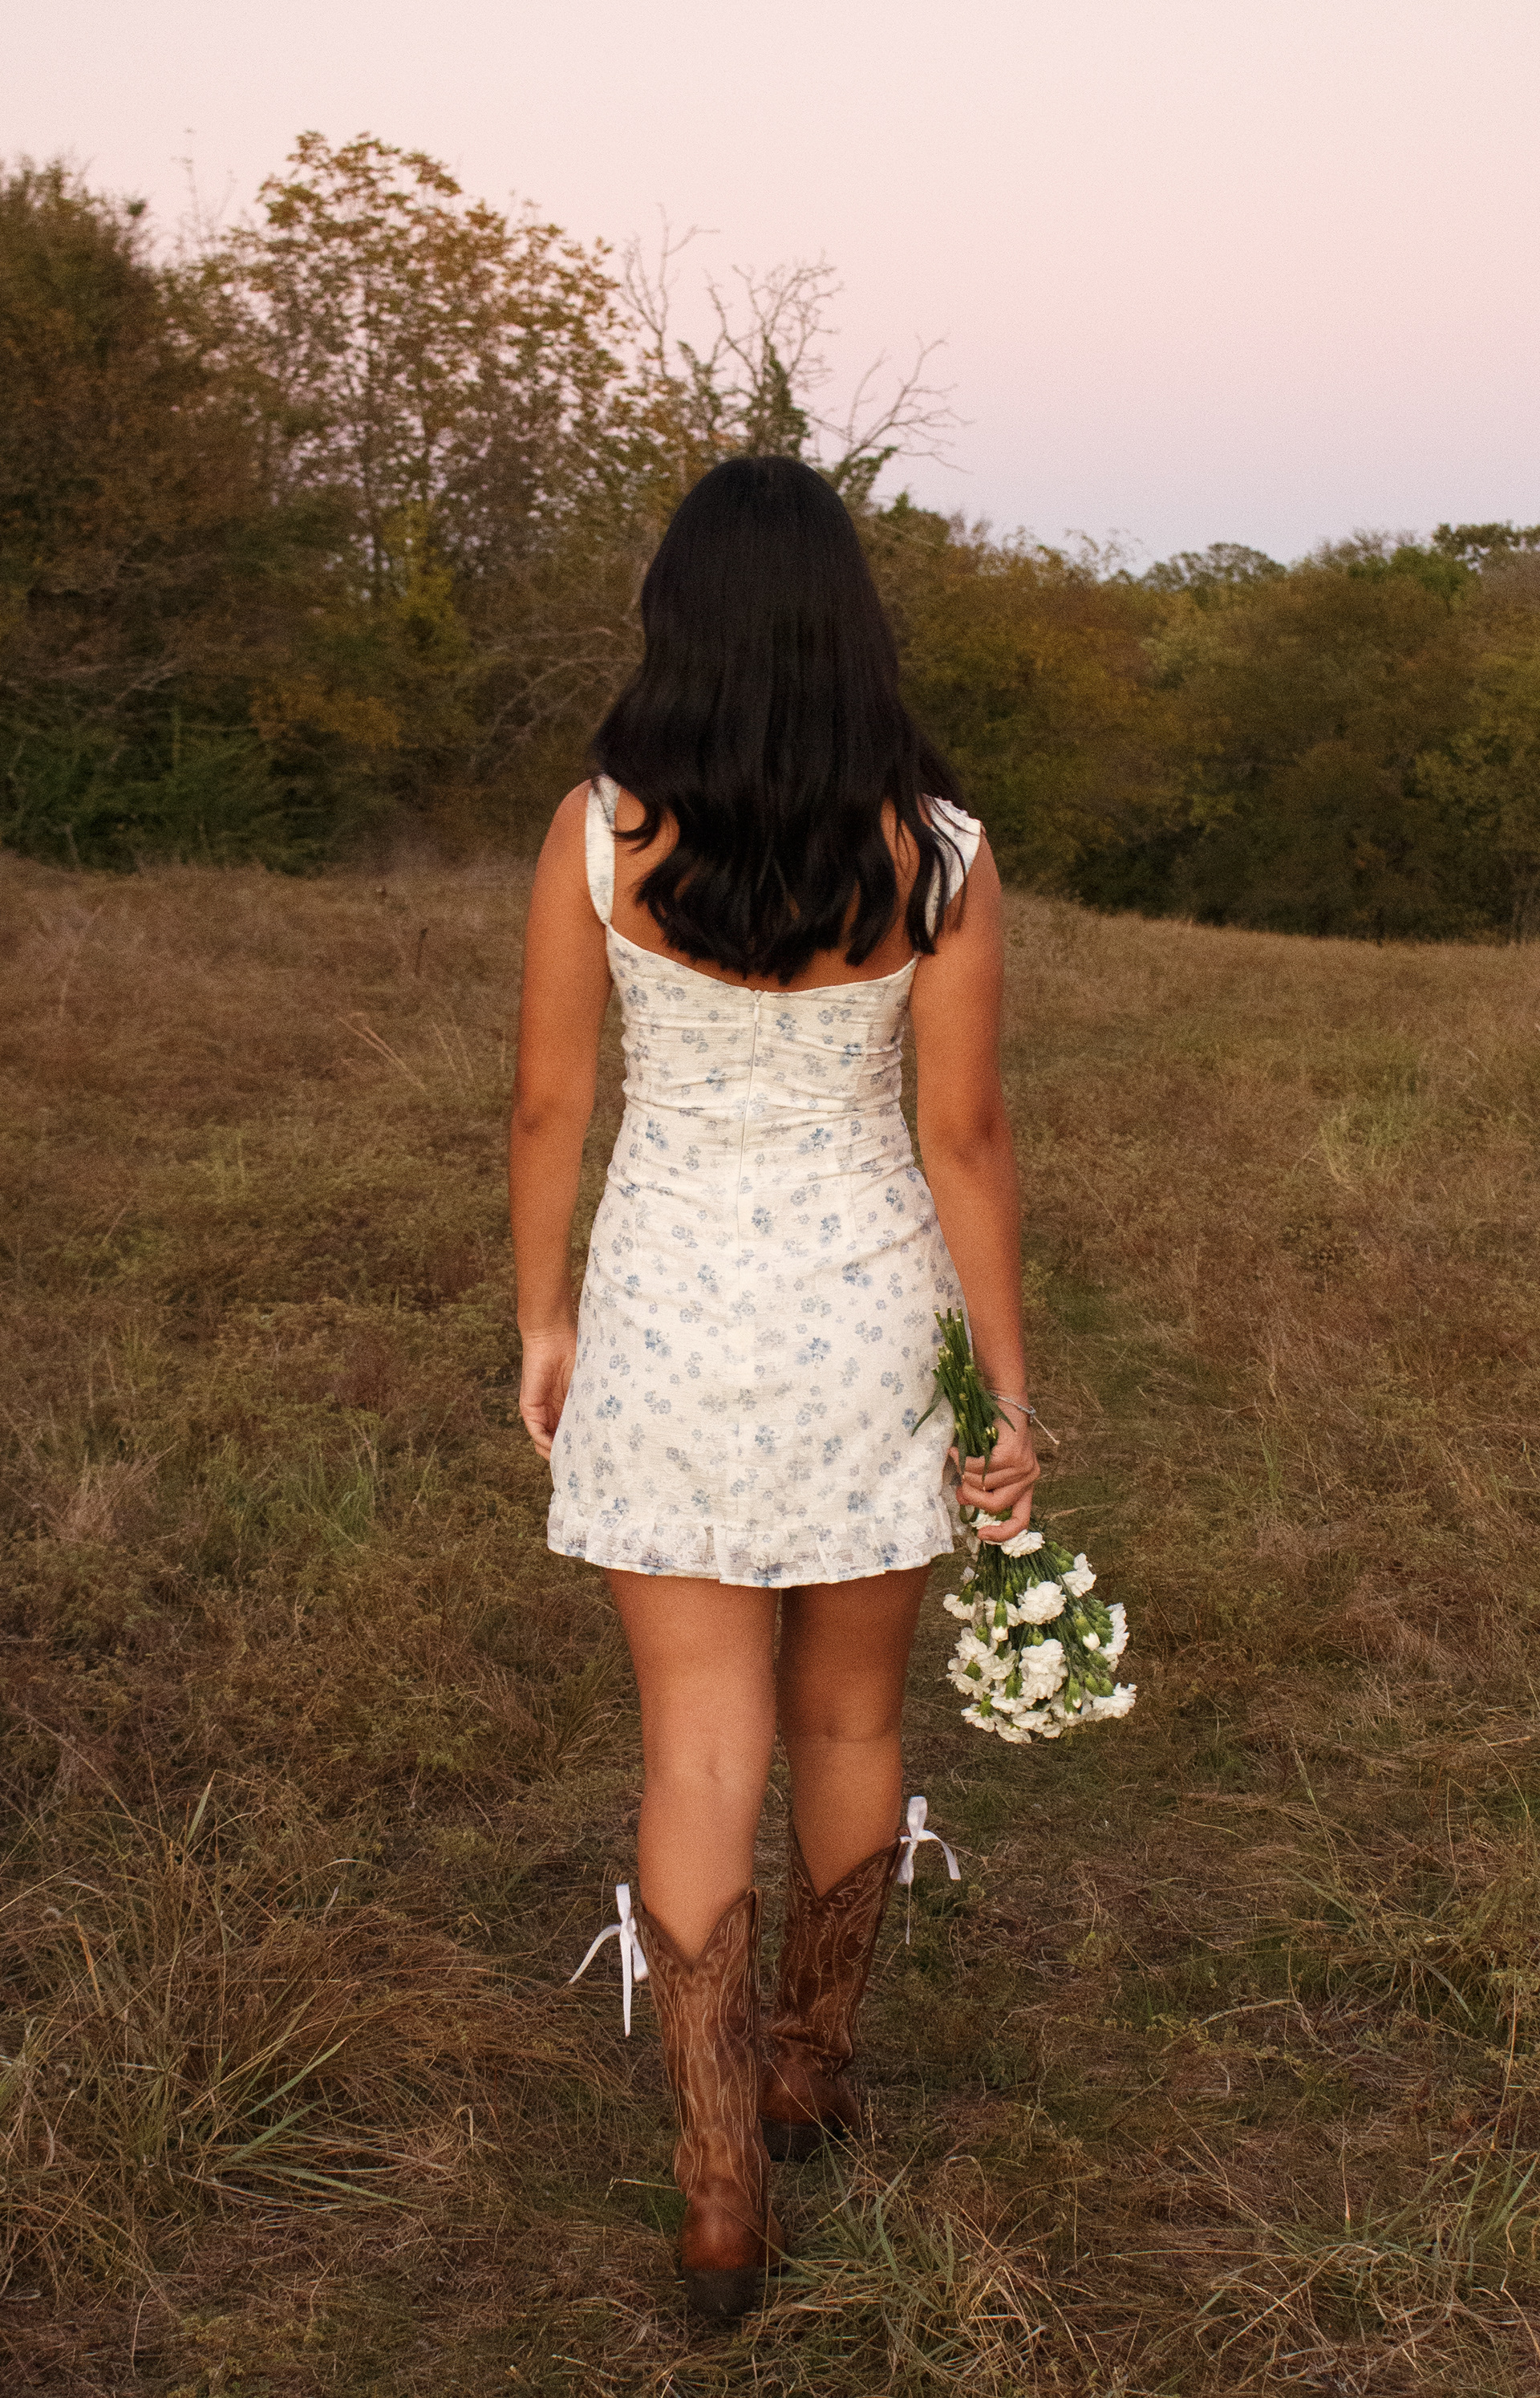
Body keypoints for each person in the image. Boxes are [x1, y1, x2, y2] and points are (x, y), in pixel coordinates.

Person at [509, 456, 1038, 2319]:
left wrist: (542, 1319)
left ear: (680, 620)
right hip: (865, 1322)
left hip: (667, 1315)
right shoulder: (942, 852)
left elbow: (551, 1110)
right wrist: (1008, 1390)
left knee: (695, 1749)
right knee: (850, 1726)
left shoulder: (600, 832)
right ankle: (811, 2059)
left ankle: (719, 2182)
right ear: (849, 626)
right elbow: (961, 1135)